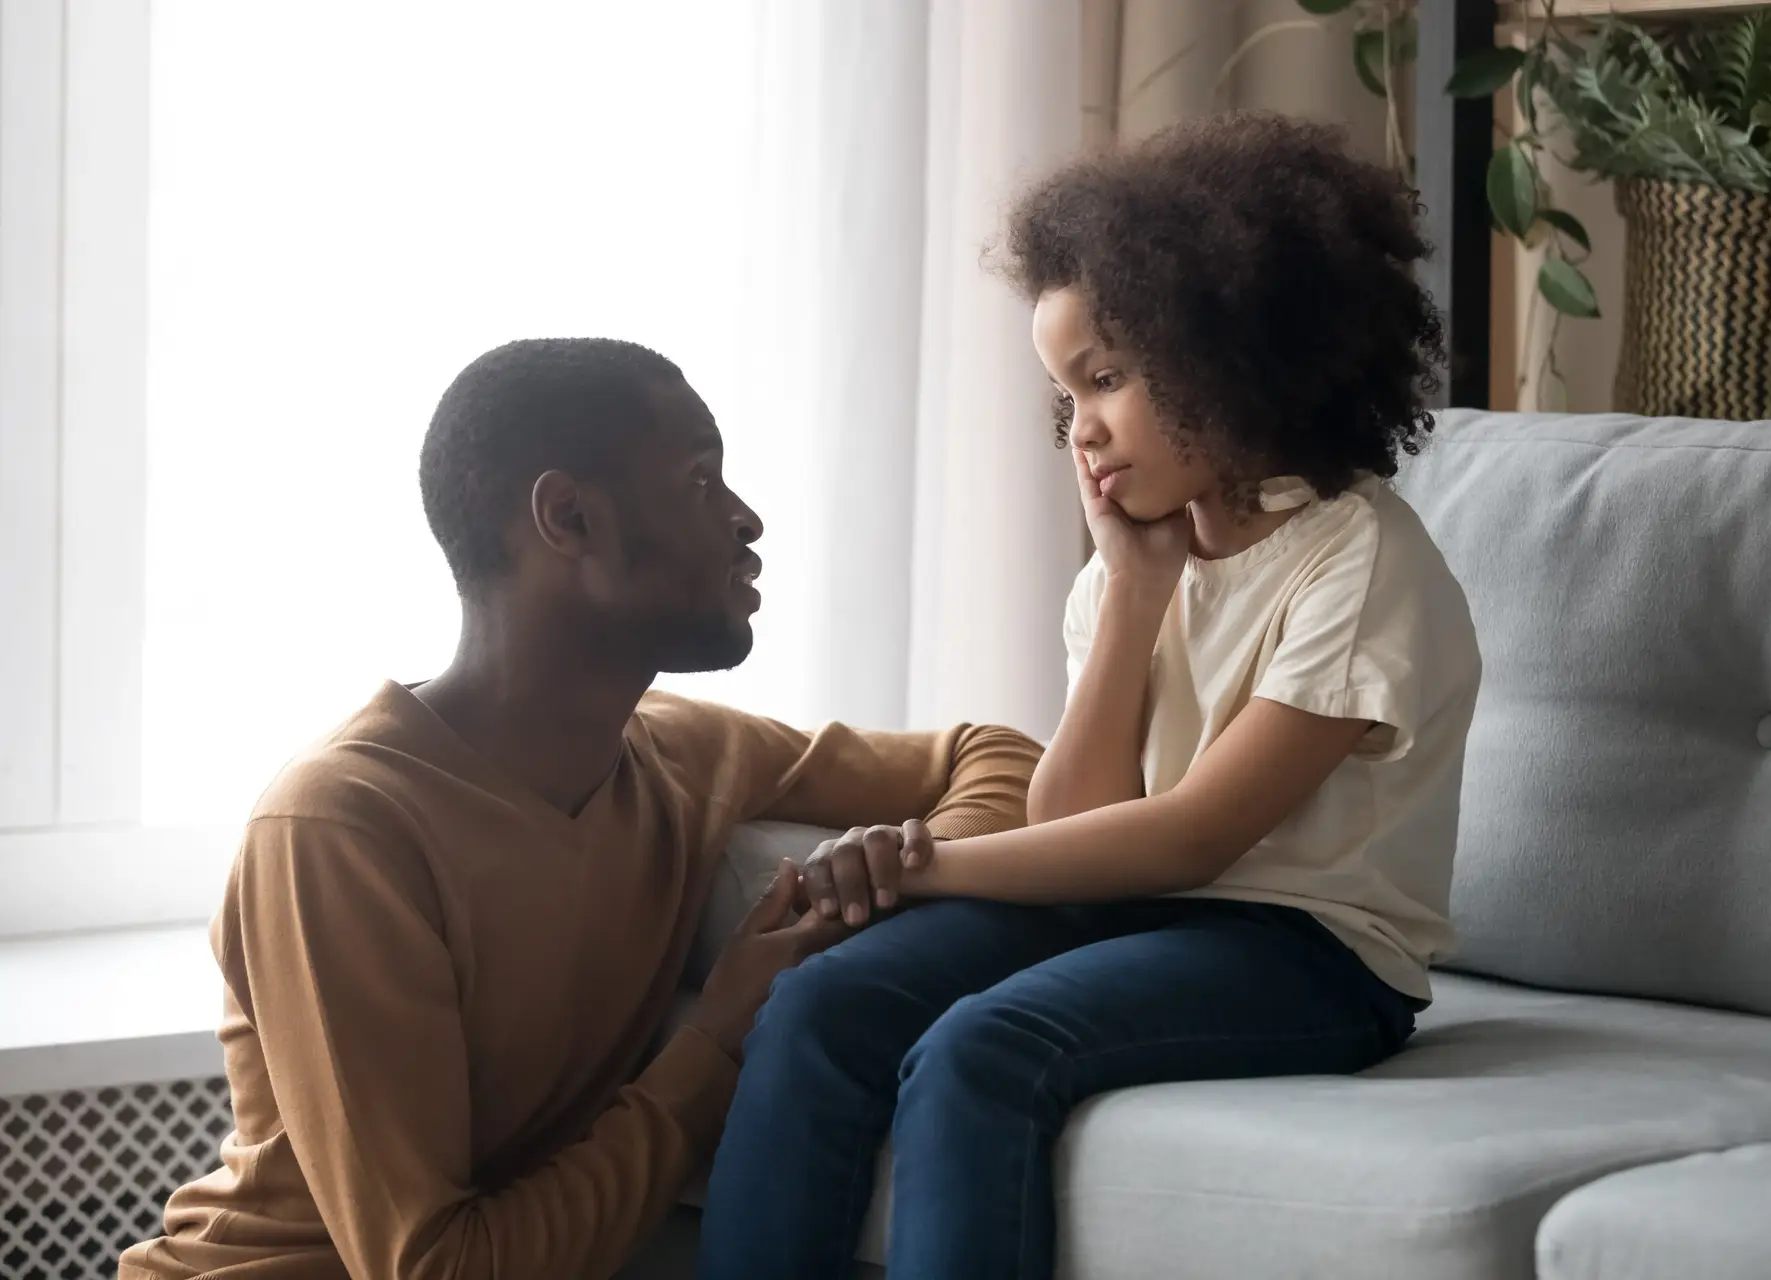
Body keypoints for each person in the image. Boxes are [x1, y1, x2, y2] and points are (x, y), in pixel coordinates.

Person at [697, 112, 1483, 1280]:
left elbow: (1194, 831)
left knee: (984, 1045)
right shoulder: (1132, 568)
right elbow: (1072, 830)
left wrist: (920, 864)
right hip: (1144, 912)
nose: (1084, 429)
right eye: (1066, 397)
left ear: (1226, 347)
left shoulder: (1355, 558)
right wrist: (1129, 592)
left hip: (1313, 951)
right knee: (821, 1002)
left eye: (1105, 378)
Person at [120, 338, 1041, 1280]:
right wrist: (714, 1042)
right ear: (568, 517)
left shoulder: (683, 752)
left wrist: (914, 865)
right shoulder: (342, 831)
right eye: (700, 480)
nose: (747, 519)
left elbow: (999, 755)